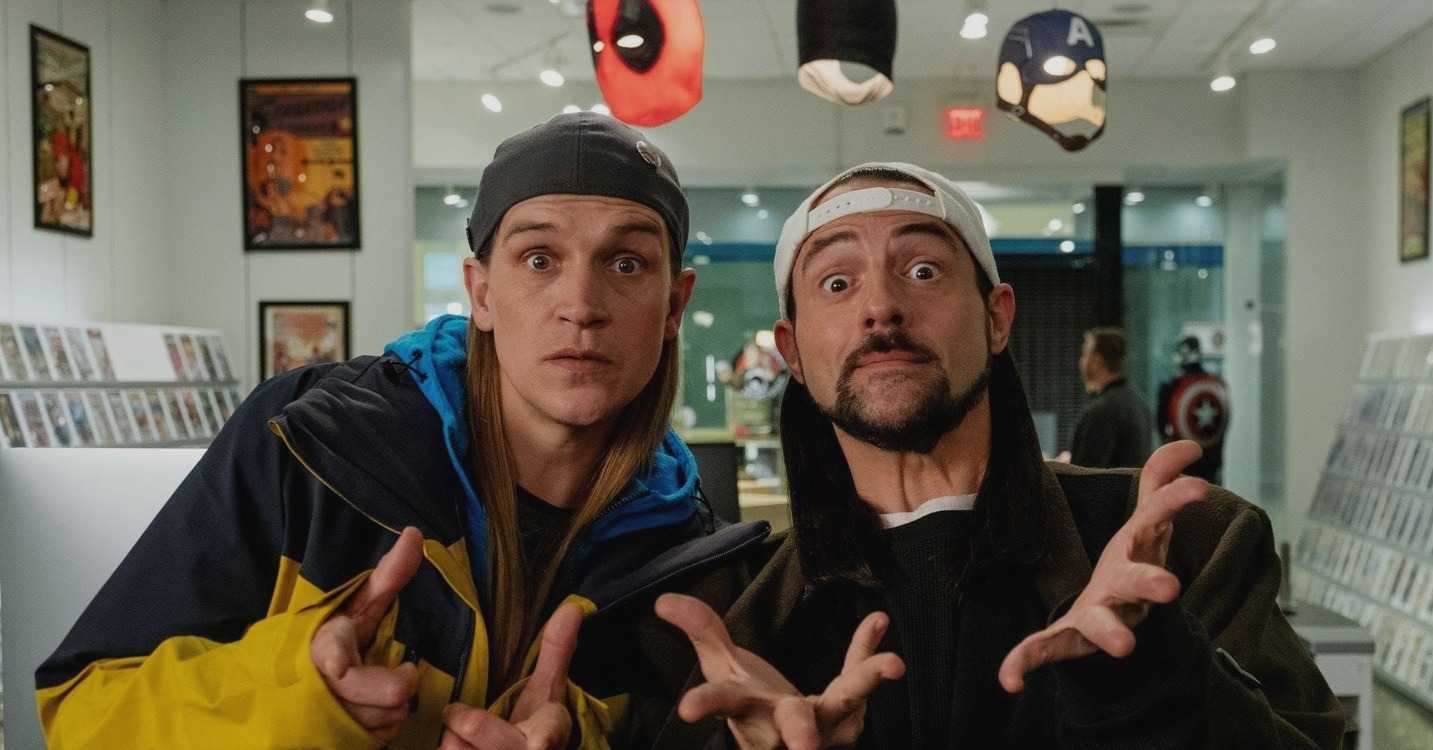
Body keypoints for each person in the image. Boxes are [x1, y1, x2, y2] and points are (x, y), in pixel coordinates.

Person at [34, 113, 774, 749]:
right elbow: (81, 711)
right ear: (481, 293)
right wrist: (296, 699)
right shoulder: (313, 444)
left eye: (627, 262)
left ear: (674, 306)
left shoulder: (689, 562)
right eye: (539, 258)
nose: (580, 304)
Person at [623, 162, 1343, 748]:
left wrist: (1153, 672)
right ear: (794, 353)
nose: (881, 306)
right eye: (837, 283)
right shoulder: (743, 619)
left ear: (997, 318)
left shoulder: (1186, 548)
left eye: (923, 271)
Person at [1064, 326, 1154, 469]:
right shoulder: (1139, 403)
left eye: (1085, 354)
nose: (1081, 362)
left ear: (1097, 361)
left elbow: (1085, 474)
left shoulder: (1100, 411)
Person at [1158, 334, 1231, 483]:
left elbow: (1161, 425)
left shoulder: (1172, 386)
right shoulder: (1217, 383)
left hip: (1183, 460)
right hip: (1211, 460)